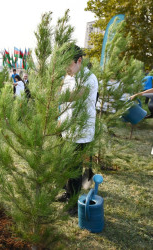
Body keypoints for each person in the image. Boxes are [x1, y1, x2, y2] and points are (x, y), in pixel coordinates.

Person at [57, 45, 98, 213]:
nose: (66, 68)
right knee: (65, 164)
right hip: (66, 126)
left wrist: (47, 92)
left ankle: (73, 204)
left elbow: (73, 96)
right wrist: (60, 118)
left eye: (68, 64)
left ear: (79, 60)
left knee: (73, 168)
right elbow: (64, 101)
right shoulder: (68, 76)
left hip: (80, 129)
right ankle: (68, 193)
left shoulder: (89, 78)